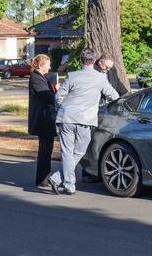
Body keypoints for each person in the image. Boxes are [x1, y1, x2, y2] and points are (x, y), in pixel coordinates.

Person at [47, 48, 119, 195]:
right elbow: (115, 95)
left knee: (68, 152)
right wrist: (99, 104)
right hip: (86, 119)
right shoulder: (101, 78)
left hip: (66, 117)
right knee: (79, 151)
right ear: (94, 61)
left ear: (81, 60)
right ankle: (68, 184)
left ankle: (58, 178)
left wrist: (64, 108)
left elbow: (58, 97)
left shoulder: (72, 76)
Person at [81, 52, 123, 183]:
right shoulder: (92, 70)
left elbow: (119, 86)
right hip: (93, 111)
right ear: (100, 62)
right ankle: (87, 171)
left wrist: (128, 97)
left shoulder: (112, 69)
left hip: (109, 110)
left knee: (103, 142)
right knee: (91, 142)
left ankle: (102, 170)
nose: (108, 70)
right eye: (106, 67)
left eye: (110, 68)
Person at [28, 54, 58, 188]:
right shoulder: (36, 78)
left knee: (47, 149)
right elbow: (48, 96)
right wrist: (56, 90)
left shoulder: (40, 78)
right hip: (43, 119)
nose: (50, 67)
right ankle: (42, 179)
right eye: (48, 65)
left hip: (45, 118)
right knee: (45, 150)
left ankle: (44, 177)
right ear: (40, 66)